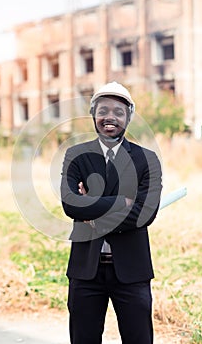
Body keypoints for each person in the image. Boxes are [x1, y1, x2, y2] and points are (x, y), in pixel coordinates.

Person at [60, 81, 162, 344]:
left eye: (118, 111)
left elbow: (145, 214)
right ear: (94, 114)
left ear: (128, 116)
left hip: (132, 272)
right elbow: (71, 204)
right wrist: (122, 203)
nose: (110, 118)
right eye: (103, 110)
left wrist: (91, 207)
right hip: (86, 271)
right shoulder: (76, 155)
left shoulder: (146, 159)